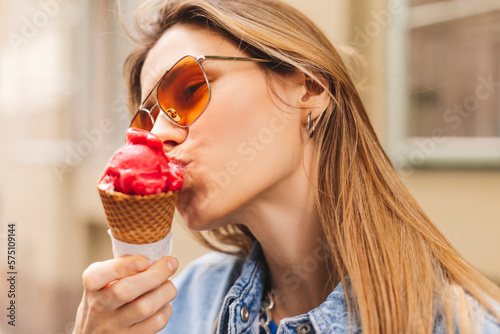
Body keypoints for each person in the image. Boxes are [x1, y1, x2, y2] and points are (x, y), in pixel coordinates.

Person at [73, 0, 500, 333]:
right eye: (146, 119)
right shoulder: (178, 305)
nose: (158, 136)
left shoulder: (462, 326)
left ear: (309, 87)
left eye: (188, 90)